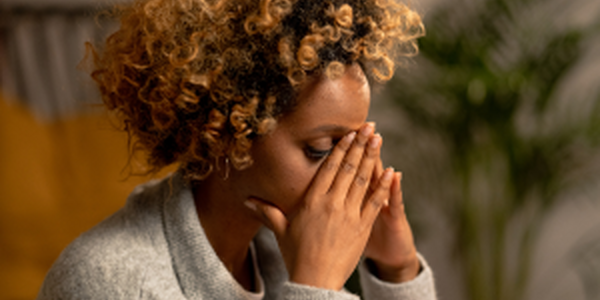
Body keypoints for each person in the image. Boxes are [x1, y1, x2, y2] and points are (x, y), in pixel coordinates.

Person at [37, 0, 436, 299]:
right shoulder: (104, 281)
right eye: (318, 149)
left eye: (354, 144)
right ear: (229, 131)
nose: (350, 172)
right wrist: (316, 287)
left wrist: (396, 269)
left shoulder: (281, 250)